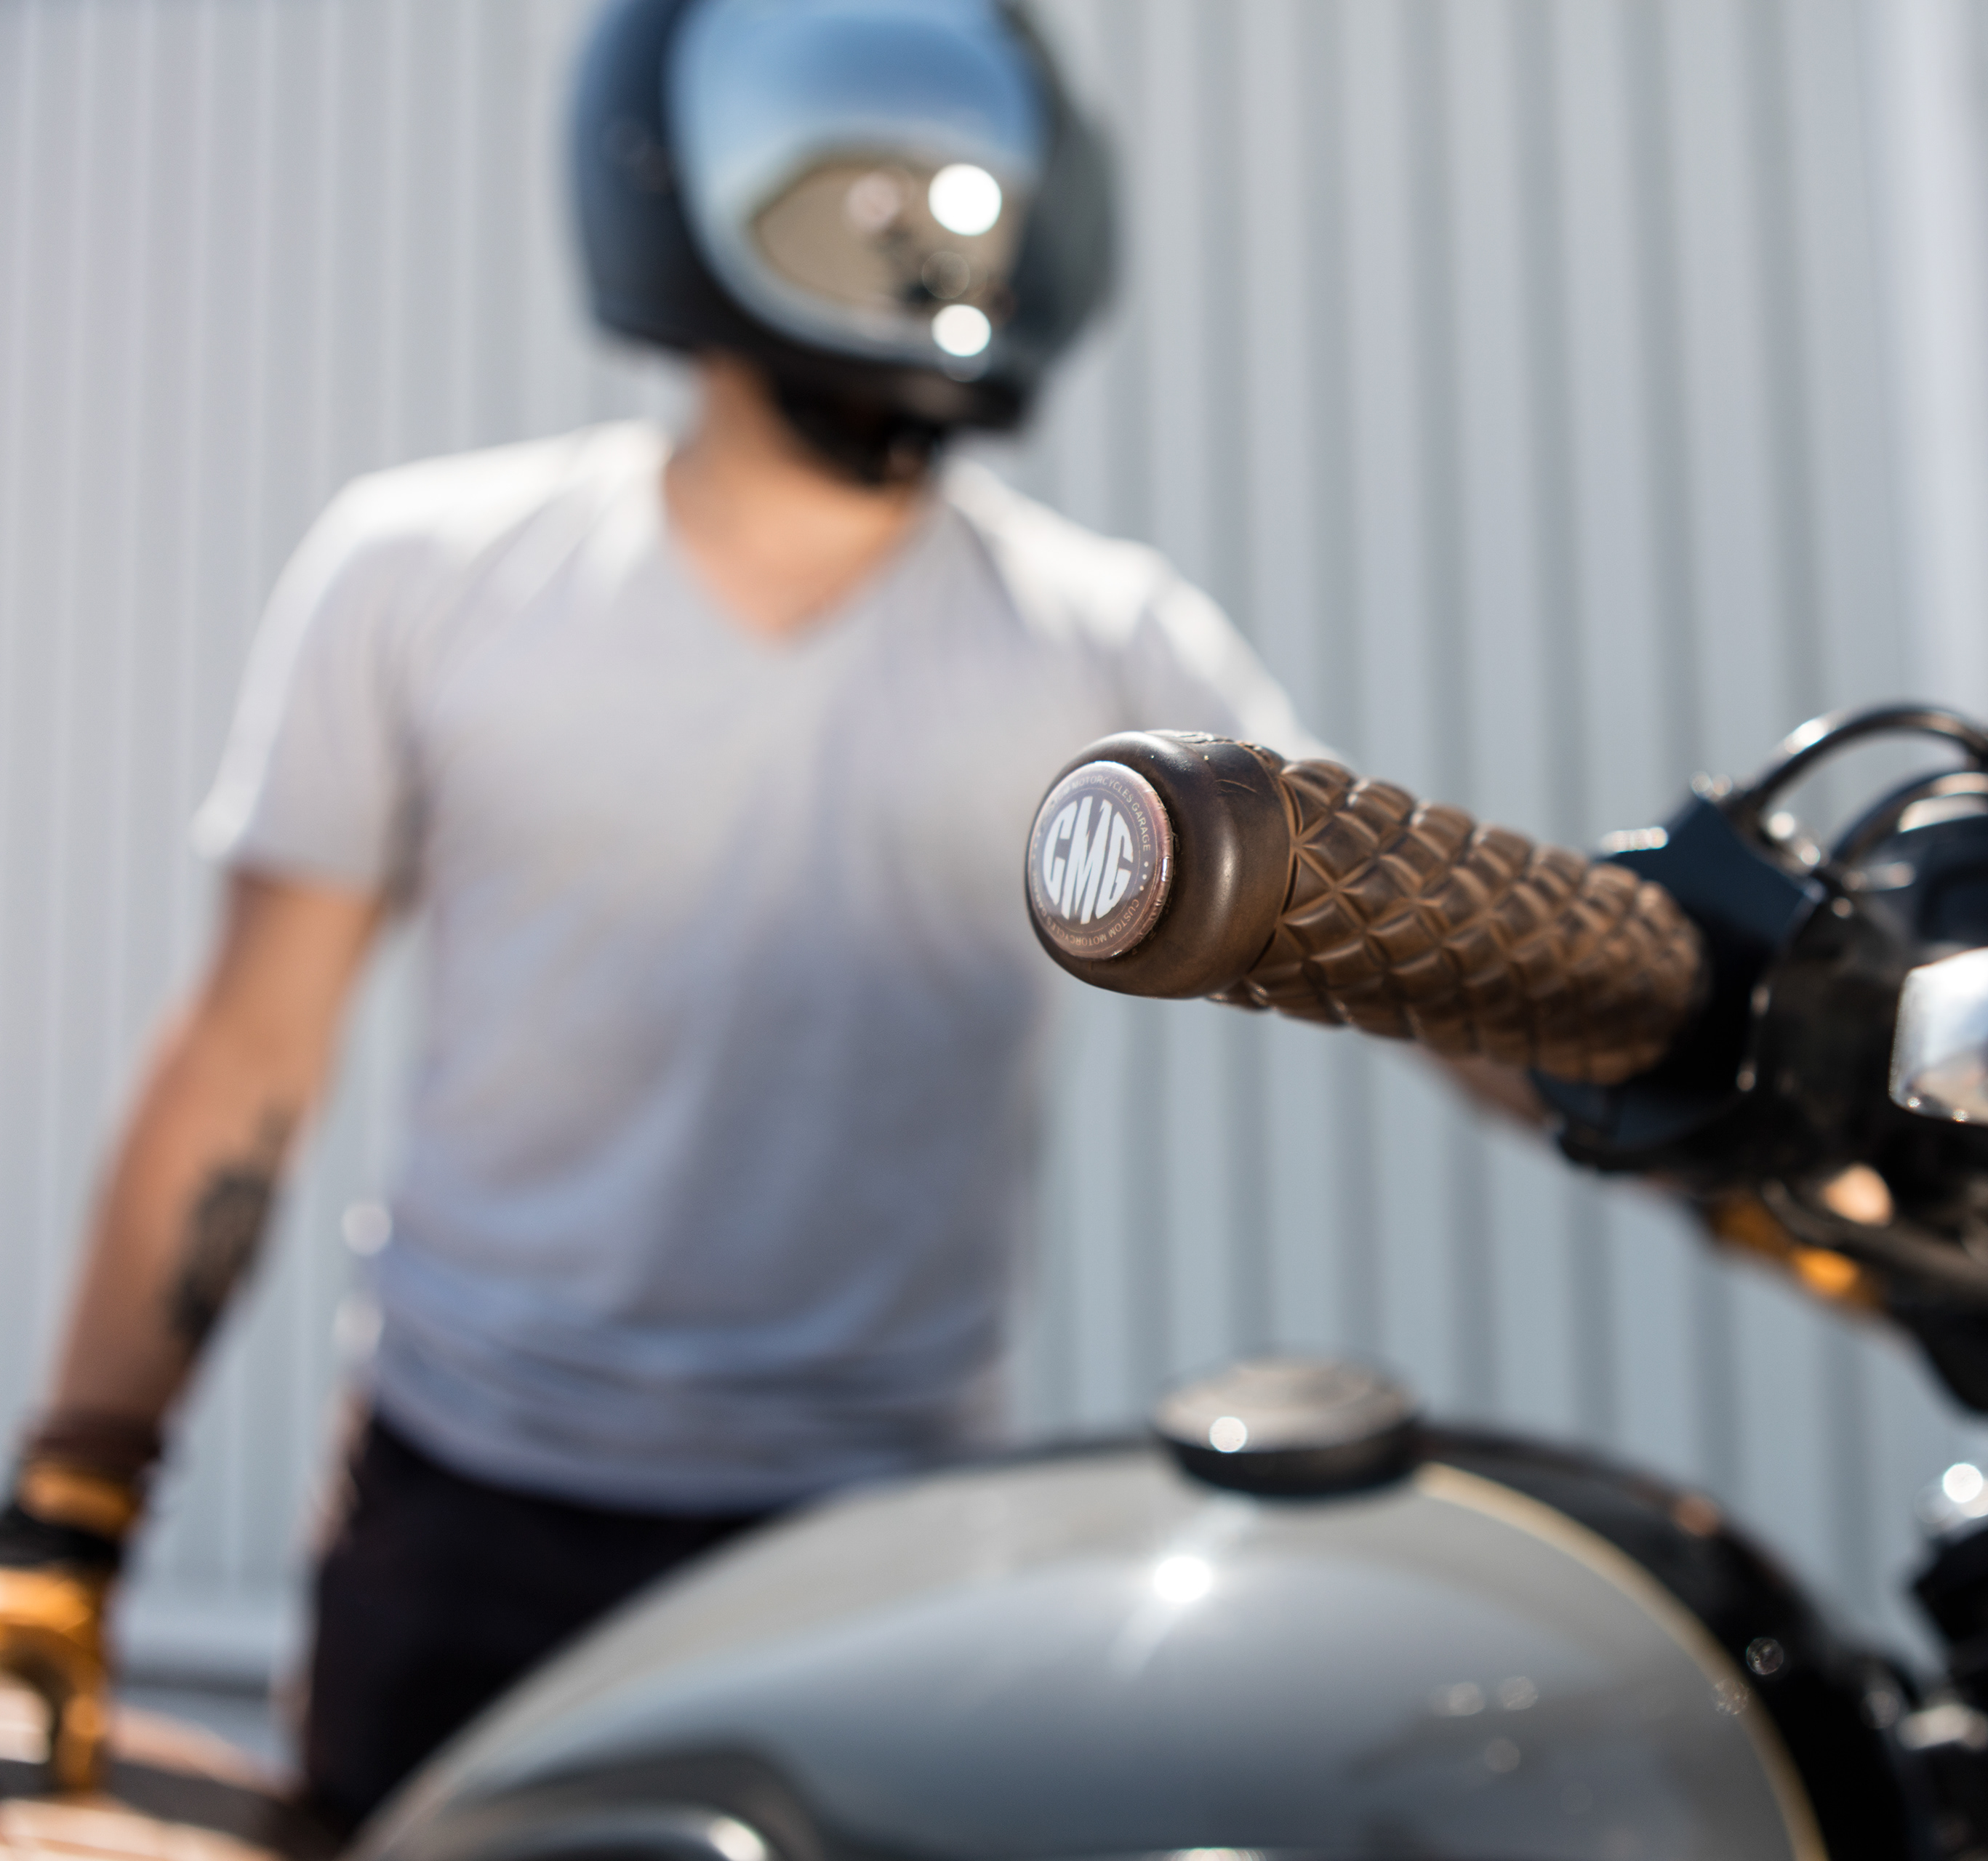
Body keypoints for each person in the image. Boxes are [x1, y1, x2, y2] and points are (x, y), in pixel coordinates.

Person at [0, 0, 1313, 1828]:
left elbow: (1408, 932)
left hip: (891, 1548)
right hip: (470, 1514)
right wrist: (72, 1508)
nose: (915, 238)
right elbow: (247, 1061)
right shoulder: (427, 578)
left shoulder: (1112, 648)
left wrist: (1686, 1047)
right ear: (674, 188)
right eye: (848, 191)